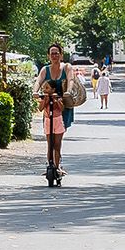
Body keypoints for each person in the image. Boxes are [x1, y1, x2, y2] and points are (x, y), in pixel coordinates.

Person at [35, 43, 79, 180]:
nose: (54, 56)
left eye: (56, 53)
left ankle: (57, 165)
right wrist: (35, 91)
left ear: (61, 55)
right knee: (50, 141)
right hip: (49, 107)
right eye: (52, 53)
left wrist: (68, 91)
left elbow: (70, 80)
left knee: (58, 140)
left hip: (62, 105)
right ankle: (50, 164)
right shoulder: (45, 69)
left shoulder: (66, 67)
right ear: (48, 56)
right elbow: (38, 81)